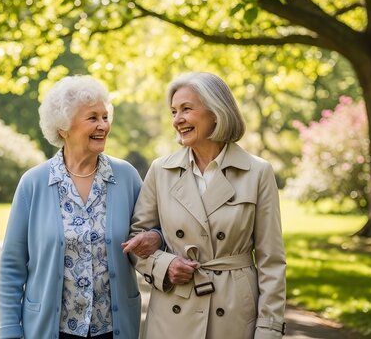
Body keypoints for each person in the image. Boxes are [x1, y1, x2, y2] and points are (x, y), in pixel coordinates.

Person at [122, 72, 286, 339]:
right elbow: (134, 242)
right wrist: (165, 265)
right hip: (172, 315)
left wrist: (268, 330)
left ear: (216, 112)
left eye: (187, 109)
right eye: (174, 111)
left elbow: (272, 261)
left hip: (234, 315)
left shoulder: (257, 172)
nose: (177, 120)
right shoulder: (161, 170)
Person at [0, 75, 160, 339]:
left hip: (112, 329)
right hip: (51, 331)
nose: (103, 126)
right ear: (64, 128)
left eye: (105, 117)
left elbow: (153, 233)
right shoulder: (34, 183)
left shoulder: (126, 177)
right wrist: (9, 332)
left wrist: (156, 237)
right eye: (92, 118)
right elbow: (12, 267)